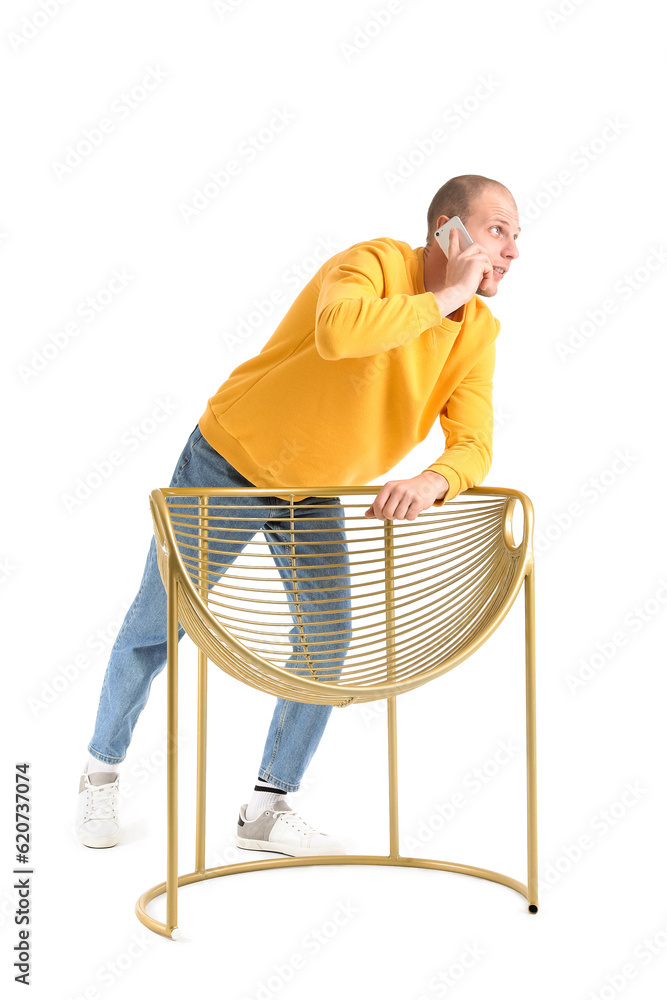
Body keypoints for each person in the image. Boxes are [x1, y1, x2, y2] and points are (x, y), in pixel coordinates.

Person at [75, 173, 520, 856]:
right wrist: (446, 294)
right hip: (233, 457)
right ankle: (100, 772)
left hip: (314, 488)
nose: (512, 250)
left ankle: (266, 806)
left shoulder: (477, 334)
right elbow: (340, 333)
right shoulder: (370, 262)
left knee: (327, 636)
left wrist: (436, 478)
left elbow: (474, 441)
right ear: (447, 232)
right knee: (159, 622)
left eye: (517, 237)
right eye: (497, 230)